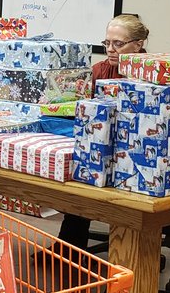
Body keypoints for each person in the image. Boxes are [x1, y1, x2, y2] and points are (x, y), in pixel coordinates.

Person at [58, 13, 149, 250]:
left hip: (136, 153)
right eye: (107, 43)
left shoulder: (152, 75)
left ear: (138, 45)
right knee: (78, 185)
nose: (110, 49)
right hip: (100, 148)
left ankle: (130, 255)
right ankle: (69, 248)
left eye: (118, 44)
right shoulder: (98, 71)